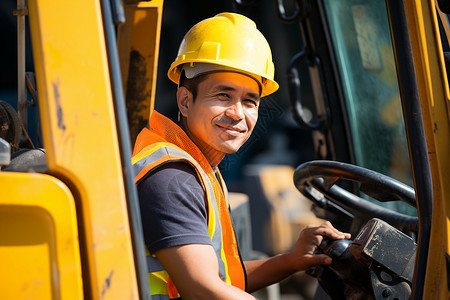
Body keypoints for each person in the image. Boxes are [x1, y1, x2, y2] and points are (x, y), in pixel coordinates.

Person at [132, 12, 350, 300]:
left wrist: (291, 260)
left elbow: (221, 279)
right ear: (185, 101)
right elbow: (203, 290)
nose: (237, 114)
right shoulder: (172, 178)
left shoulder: (200, 167)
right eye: (223, 96)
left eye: (249, 101)